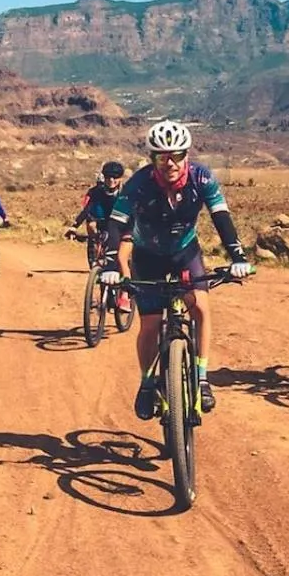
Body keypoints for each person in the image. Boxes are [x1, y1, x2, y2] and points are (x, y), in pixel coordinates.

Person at [101, 120, 250, 420]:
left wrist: (237, 256)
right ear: (152, 157)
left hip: (185, 253)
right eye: (161, 156)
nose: (170, 162)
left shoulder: (201, 178)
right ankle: (146, 384)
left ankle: (203, 377)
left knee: (201, 309)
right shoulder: (139, 183)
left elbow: (221, 217)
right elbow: (116, 223)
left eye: (177, 155)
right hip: (148, 256)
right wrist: (109, 264)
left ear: (186, 154)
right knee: (151, 324)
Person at [64, 161, 125, 267]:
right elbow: (87, 209)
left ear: (120, 178)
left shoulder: (125, 192)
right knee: (92, 225)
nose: (111, 180)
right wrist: (74, 226)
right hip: (101, 217)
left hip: (118, 220)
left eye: (115, 177)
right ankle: (95, 250)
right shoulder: (97, 191)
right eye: (108, 177)